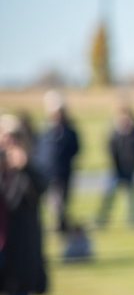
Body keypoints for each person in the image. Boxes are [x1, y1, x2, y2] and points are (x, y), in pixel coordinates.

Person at [0, 114, 48, 295]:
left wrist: (24, 166)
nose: (8, 142)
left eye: (14, 137)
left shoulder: (29, 168)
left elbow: (41, 188)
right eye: (4, 136)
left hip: (19, 256)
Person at [33, 90, 80, 233]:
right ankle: (56, 226)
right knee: (52, 202)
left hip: (63, 172)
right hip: (47, 172)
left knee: (61, 202)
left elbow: (75, 148)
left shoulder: (69, 131)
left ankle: (60, 225)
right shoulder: (45, 130)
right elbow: (39, 150)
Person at [95, 104, 134, 228]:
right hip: (116, 169)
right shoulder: (115, 133)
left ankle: (132, 220)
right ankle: (102, 219)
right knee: (108, 195)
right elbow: (109, 147)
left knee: (131, 197)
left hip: (130, 168)